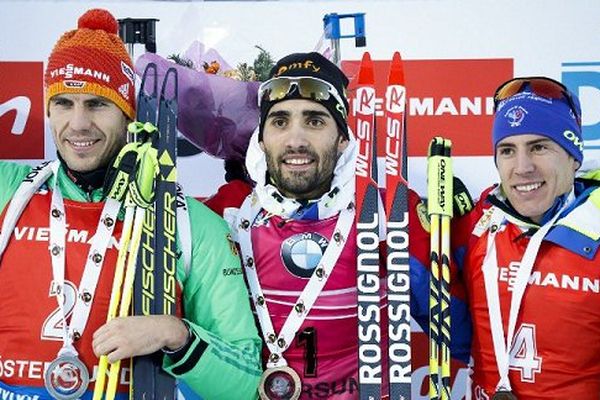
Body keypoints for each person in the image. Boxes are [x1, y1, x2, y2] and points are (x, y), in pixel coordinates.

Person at [0, 8, 262, 400]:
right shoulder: (10, 194)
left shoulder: (192, 225)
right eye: (64, 103)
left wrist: (178, 336)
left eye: (97, 104)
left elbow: (246, 382)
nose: (78, 123)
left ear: (129, 113)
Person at [205, 52, 390, 400]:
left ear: (343, 137)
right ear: (261, 138)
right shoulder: (227, 209)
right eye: (279, 122)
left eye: (315, 121)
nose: (295, 140)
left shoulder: (386, 208)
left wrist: (467, 213)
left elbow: (455, 324)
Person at [410, 76, 600, 398]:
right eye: (508, 150)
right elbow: (452, 333)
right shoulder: (479, 224)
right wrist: (420, 232)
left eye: (539, 147)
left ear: (573, 155)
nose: (522, 167)